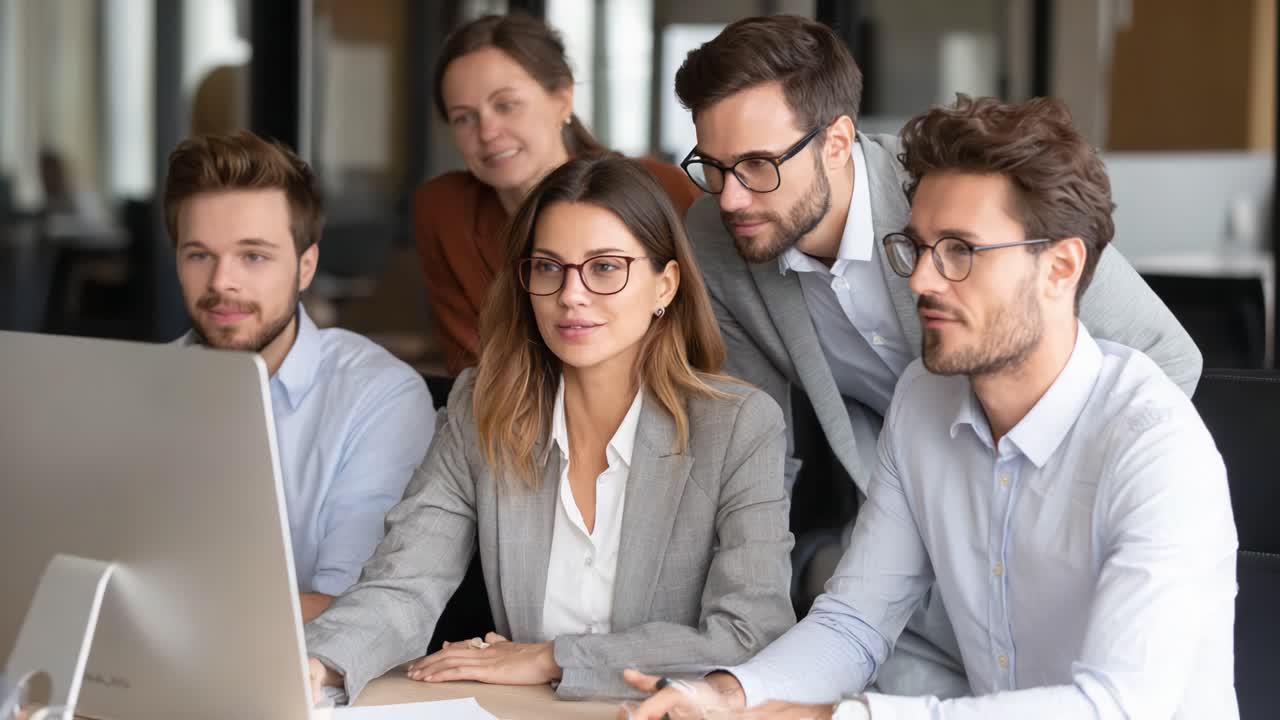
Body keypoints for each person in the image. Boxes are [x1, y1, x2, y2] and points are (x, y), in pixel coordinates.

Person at [623, 94, 1238, 720]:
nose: (919, 280)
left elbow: (1119, 706)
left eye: (960, 251)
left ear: (1060, 267)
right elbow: (854, 623)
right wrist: (724, 695)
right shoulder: (924, 400)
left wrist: (842, 718)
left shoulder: (1155, 447)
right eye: (917, 248)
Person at [305, 156, 795, 703]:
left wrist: (552, 658)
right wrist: (316, 665)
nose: (571, 294)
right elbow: (405, 582)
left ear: (666, 285)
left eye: (605, 267)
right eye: (547, 267)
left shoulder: (738, 426)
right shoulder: (481, 406)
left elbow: (750, 634)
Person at [165, 131, 435, 622]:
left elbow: (354, 607)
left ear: (305, 266)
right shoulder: (138, 388)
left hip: (306, 682)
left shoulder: (376, 397)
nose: (222, 281)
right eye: (199, 254)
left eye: (254, 256)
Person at [414, 13, 701, 376]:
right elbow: (476, 372)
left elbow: (705, 335)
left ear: (563, 99)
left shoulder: (662, 187)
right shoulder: (444, 210)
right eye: (464, 118)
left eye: (506, 105)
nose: (487, 132)